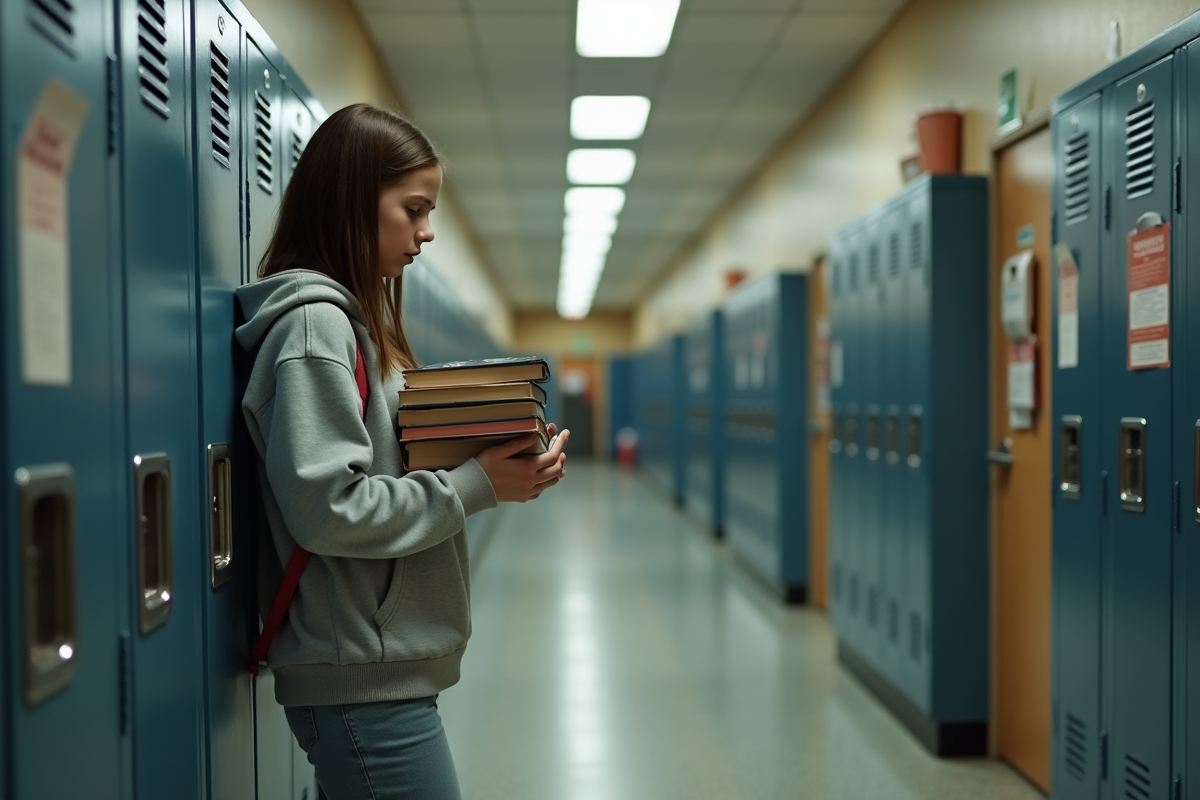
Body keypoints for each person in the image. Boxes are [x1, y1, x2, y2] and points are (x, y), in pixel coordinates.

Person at [235, 103, 568, 800]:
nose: (427, 231)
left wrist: (493, 459)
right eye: (412, 209)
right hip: (362, 680)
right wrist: (478, 482)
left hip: (377, 669)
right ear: (353, 201)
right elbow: (330, 508)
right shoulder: (314, 329)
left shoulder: (350, 324)